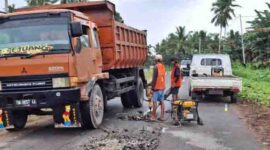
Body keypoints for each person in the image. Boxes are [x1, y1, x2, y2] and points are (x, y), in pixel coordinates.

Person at [150, 54, 166, 121]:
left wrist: (151, 88)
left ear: (156, 60)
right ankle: (162, 117)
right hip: (162, 87)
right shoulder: (163, 66)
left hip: (156, 88)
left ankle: (153, 117)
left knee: (154, 102)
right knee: (162, 102)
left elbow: (154, 79)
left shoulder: (155, 67)